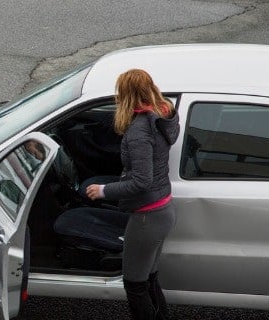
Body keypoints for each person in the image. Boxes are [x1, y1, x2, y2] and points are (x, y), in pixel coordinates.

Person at [75, 69, 179, 319]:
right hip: (163, 210)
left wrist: (103, 191)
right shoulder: (162, 117)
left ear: (126, 95)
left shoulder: (139, 132)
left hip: (147, 218)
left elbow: (142, 181)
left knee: (134, 285)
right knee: (149, 279)